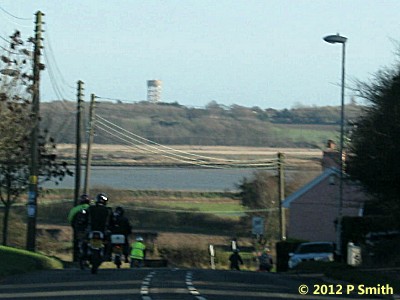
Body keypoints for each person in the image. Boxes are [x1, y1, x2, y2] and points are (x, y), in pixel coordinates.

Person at [86, 193, 113, 258]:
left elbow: (85, 218)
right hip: (103, 230)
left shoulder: (90, 208)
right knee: (108, 242)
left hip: (92, 229)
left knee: (84, 241)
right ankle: (108, 255)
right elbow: (112, 221)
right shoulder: (108, 210)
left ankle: (83, 253)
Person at [67, 194, 90, 262]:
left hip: (78, 229)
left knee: (77, 242)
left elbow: (70, 218)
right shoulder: (91, 208)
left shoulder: (75, 209)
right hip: (89, 229)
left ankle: (77, 257)